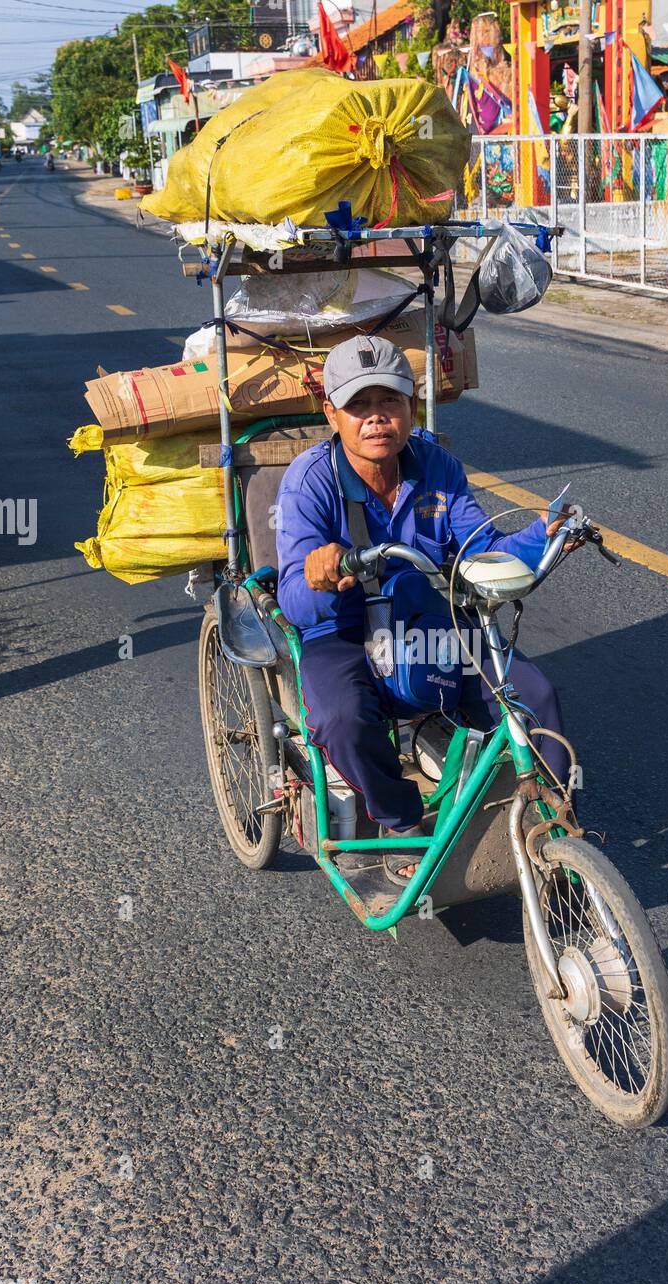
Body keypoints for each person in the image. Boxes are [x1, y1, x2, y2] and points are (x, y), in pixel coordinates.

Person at [275, 335, 575, 881]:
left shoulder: (437, 467)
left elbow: (478, 553)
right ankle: (398, 817)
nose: (376, 419)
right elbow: (294, 604)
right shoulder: (309, 481)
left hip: (431, 624)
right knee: (340, 717)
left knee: (533, 694)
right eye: (358, 406)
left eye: (389, 401)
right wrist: (320, 576)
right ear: (331, 414)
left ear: (410, 406)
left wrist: (541, 534)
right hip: (342, 634)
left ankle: (556, 825)